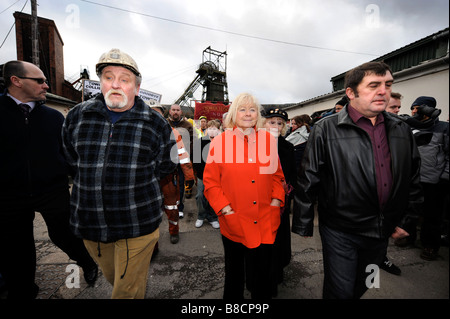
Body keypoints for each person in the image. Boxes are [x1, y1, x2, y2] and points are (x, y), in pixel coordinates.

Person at [292, 61, 423, 299]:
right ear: (351, 93)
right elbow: (309, 177)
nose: (384, 91)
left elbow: (413, 178)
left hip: (383, 230)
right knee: (340, 290)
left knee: (368, 281)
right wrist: (303, 220)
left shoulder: (401, 129)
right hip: (341, 229)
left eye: (388, 84)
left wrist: (407, 220)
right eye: (374, 85)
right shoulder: (325, 129)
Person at [62, 48, 177, 299]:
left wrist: (136, 180)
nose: (115, 84)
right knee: (117, 279)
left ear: (136, 87)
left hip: (137, 221)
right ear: (100, 82)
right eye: (107, 77)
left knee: (125, 292)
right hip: (90, 223)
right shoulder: (77, 117)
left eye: (124, 79)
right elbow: (71, 160)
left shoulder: (155, 123)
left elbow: (167, 164)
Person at [0, 60, 98, 299]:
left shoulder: (53, 118)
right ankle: (23, 290)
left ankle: (88, 263)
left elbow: (69, 154)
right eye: (40, 81)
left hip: (52, 191)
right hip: (9, 196)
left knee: (65, 234)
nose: (46, 85)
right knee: (17, 248)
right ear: (16, 81)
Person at [203, 93, 285, 299]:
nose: (248, 114)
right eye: (242, 109)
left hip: (266, 218)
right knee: (234, 275)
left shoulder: (268, 139)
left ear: (258, 114)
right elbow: (211, 183)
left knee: (263, 276)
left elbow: (277, 176)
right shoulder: (219, 142)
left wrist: (276, 203)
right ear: (233, 114)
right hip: (234, 219)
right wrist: (226, 210)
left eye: (252, 109)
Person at [409, 96, 449, 260]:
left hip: (434, 181)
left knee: (432, 216)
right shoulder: (410, 126)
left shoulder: (444, 128)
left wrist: (445, 177)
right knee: (410, 211)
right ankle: (408, 238)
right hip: (412, 179)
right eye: (413, 108)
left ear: (427, 109)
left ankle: (430, 246)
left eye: (416, 108)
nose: (413, 111)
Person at [262, 107, 296, 297]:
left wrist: (285, 192)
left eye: (280, 123)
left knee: (278, 242)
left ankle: (276, 275)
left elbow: (292, 175)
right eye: (271, 122)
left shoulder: (287, 147)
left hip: (279, 203)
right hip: (257, 202)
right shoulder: (253, 144)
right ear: (263, 123)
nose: (275, 125)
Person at [150, 103, 195, 244]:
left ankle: (174, 231)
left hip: (169, 177)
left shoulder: (173, 132)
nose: (155, 116)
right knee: (149, 211)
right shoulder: (141, 131)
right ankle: (152, 242)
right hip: (148, 179)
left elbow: (183, 154)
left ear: (163, 115)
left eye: (157, 112)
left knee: (172, 207)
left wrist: (189, 176)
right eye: (152, 113)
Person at [193, 120, 221, 229]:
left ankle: (212, 217)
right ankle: (201, 216)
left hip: (216, 177)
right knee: (200, 196)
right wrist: (201, 173)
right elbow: (195, 159)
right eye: (210, 128)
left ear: (218, 130)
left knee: (213, 197)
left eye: (214, 129)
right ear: (207, 130)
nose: (212, 131)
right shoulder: (200, 142)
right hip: (202, 175)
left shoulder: (221, 143)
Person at [168, 104, 194, 216]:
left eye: (178, 110)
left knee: (180, 184)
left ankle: (180, 208)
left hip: (182, 160)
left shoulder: (187, 125)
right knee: (167, 184)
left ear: (181, 112)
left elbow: (193, 142)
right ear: (170, 111)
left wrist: (189, 155)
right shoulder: (165, 124)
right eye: (173, 110)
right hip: (168, 160)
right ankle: (168, 206)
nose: (175, 112)